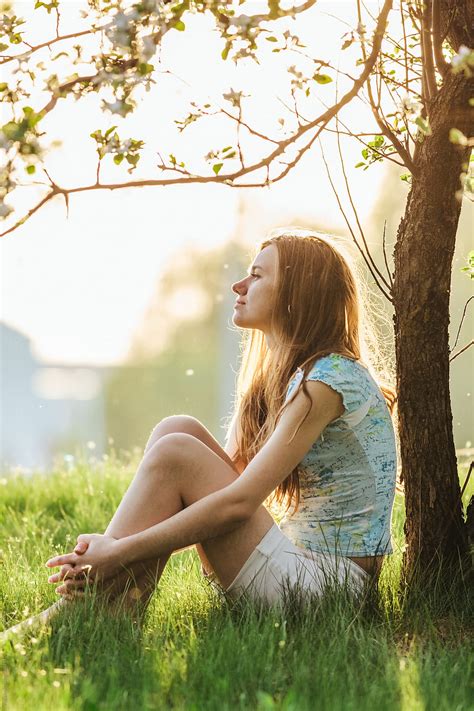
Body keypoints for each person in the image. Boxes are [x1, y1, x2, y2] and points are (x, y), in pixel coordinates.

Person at [45, 230, 397, 612]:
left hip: (331, 590)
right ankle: (112, 607)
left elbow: (237, 505)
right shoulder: (291, 379)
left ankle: (87, 609)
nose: (238, 285)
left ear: (296, 294)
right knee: (176, 430)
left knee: (176, 453)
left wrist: (120, 551)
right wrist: (118, 551)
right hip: (300, 568)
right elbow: (206, 507)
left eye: (257, 276)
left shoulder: (328, 380)